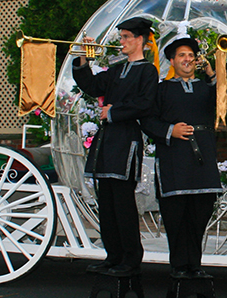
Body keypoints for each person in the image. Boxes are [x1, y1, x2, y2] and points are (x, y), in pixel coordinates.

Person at [141, 37, 227, 279]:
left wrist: (211, 71)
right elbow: (148, 121)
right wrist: (170, 130)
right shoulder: (161, 89)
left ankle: (195, 265)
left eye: (191, 54)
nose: (187, 59)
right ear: (172, 61)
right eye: (182, 55)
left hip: (202, 159)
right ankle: (179, 266)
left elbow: (226, 100)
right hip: (174, 159)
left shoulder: (206, 87)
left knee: (200, 213)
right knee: (175, 216)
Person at [72, 17, 158, 277]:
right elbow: (91, 86)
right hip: (107, 141)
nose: (120, 41)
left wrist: (113, 111)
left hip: (127, 139)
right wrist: (83, 59)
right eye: (120, 37)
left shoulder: (148, 71)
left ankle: (131, 259)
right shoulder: (117, 70)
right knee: (106, 202)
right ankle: (113, 255)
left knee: (123, 203)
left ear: (139, 40)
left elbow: (145, 104)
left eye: (125, 37)